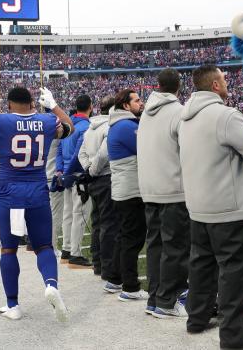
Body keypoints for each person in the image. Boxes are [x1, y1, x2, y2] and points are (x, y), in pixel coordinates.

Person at [0, 87, 73, 322]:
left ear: (8, 105)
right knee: (44, 247)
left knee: (8, 250)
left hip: (8, 194)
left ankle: (13, 305)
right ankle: (51, 284)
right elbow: (69, 128)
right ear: (32, 103)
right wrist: (54, 105)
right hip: (37, 192)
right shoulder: (47, 120)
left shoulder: (0, 120)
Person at [178, 65, 243, 347]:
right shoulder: (226, 116)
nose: (227, 82)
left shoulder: (184, 117)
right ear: (214, 85)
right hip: (229, 207)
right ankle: (235, 339)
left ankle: (197, 319)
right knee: (236, 275)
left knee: (201, 267)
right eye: (223, 79)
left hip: (198, 206)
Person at [137, 68, 190, 318]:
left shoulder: (145, 113)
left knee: (156, 245)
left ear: (157, 86)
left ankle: (155, 297)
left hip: (150, 188)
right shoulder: (179, 112)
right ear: (179, 86)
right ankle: (167, 301)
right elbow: (188, 150)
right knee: (175, 248)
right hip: (173, 189)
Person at [107, 89, 148, 303]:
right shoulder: (126, 126)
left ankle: (115, 278)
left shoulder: (120, 124)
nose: (141, 103)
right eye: (137, 100)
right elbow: (147, 149)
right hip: (130, 191)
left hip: (124, 189)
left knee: (124, 237)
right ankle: (130, 287)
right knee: (133, 239)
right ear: (125, 105)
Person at [78, 95, 115, 279]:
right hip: (105, 176)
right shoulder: (109, 126)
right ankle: (107, 266)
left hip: (94, 179)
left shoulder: (89, 129)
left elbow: (81, 154)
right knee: (107, 224)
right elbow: (104, 154)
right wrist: (93, 170)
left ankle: (98, 262)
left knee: (97, 222)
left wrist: (88, 168)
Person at [56, 95, 93, 269]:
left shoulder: (68, 126)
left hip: (66, 174)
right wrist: (67, 172)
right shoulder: (86, 127)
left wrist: (61, 171)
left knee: (68, 213)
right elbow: (79, 154)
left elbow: (58, 150)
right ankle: (75, 254)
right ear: (90, 107)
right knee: (79, 215)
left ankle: (66, 249)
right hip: (77, 175)